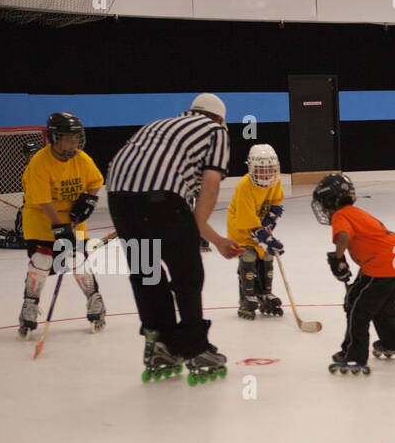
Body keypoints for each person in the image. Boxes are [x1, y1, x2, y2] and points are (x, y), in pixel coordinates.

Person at [106, 93, 241, 384]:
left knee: (146, 273)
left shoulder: (159, 126)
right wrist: (198, 229)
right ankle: (196, 348)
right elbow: (211, 184)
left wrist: (216, 240)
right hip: (162, 201)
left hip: (120, 200)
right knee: (186, 273)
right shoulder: (215, 130)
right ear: (219, 118)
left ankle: (160, 345)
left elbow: (183, 205)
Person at [311, 173, 395, 375]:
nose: (323, 210)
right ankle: (394, 342)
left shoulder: (341, 215)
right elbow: (369, 244)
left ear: (330, 201)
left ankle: (354, 354)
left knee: (359, 309)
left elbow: (343, 236)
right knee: (384, 306)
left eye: (324, 205)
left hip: (383, 263)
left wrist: (338, 259)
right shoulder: (356, 212)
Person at [17, 112, 105, 337]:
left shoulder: (81, 159)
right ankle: (30, 304)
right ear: (54, 138)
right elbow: (43, 200)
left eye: (76, 138)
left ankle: (95, 300)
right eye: (68, 138)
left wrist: (88, 199)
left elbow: (96, 181)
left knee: (76, 259)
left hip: (72, 218)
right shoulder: (40, 163)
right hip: (41, 218)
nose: (74, 143)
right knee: (42, 259)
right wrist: (59, 227)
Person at [226, 143, 285, 320]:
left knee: (267, 256)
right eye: (261, 169)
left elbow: (276, 206)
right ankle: (247, 298)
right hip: (241, 229)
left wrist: (269, 224)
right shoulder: (245, 186)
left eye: (270, 169)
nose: (266, 174)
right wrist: (267, 239)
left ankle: (265, 294)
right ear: (252, 168)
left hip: (259, 227)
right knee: (249, 257)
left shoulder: (275, 181)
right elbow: (251, 227)